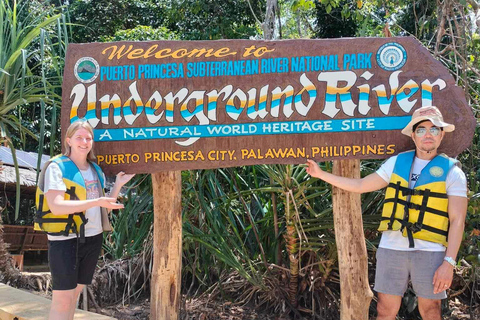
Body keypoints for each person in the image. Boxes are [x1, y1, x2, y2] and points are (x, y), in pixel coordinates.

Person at [305, 106, 468, 320]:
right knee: (385, 310)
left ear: (442, 134)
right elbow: (361, 184)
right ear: (413, 134)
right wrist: (321, 174)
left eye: (434, 129)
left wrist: (449, 262)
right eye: (421, 130)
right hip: (392, 248)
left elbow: (457, 221)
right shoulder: (396, 163)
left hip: (431, 251)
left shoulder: (453, 172)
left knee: (431, 310)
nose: (427, 134)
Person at [35, 120, 134, 320]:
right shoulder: (56, 167)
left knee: (75, 295)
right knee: (63, 299)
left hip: (92, 238)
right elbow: (56, 206)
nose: (84, 142)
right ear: (68, 140)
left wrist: (118, 185)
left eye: (88, 138)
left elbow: (103, 205)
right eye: (79, 137)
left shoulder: (96, 170)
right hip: (65, 240)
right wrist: (95, 201)